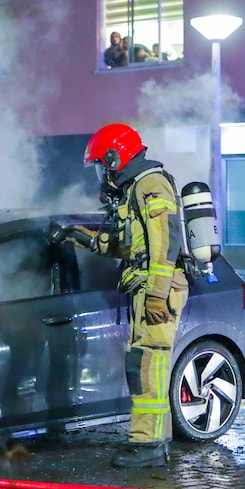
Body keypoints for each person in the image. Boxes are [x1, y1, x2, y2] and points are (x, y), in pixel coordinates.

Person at [48, 123, 189, 468]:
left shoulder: (150, 184)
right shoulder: (136, 190)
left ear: (116, 156)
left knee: (145, 367)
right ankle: (155, 442)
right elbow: (128, 245)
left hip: (157, 291)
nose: (101, 173)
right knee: (146, 366)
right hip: (147, 289)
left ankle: (147, 446)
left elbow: (165, 242)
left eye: (102, 164)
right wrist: (78, 236)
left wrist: (156, 294)